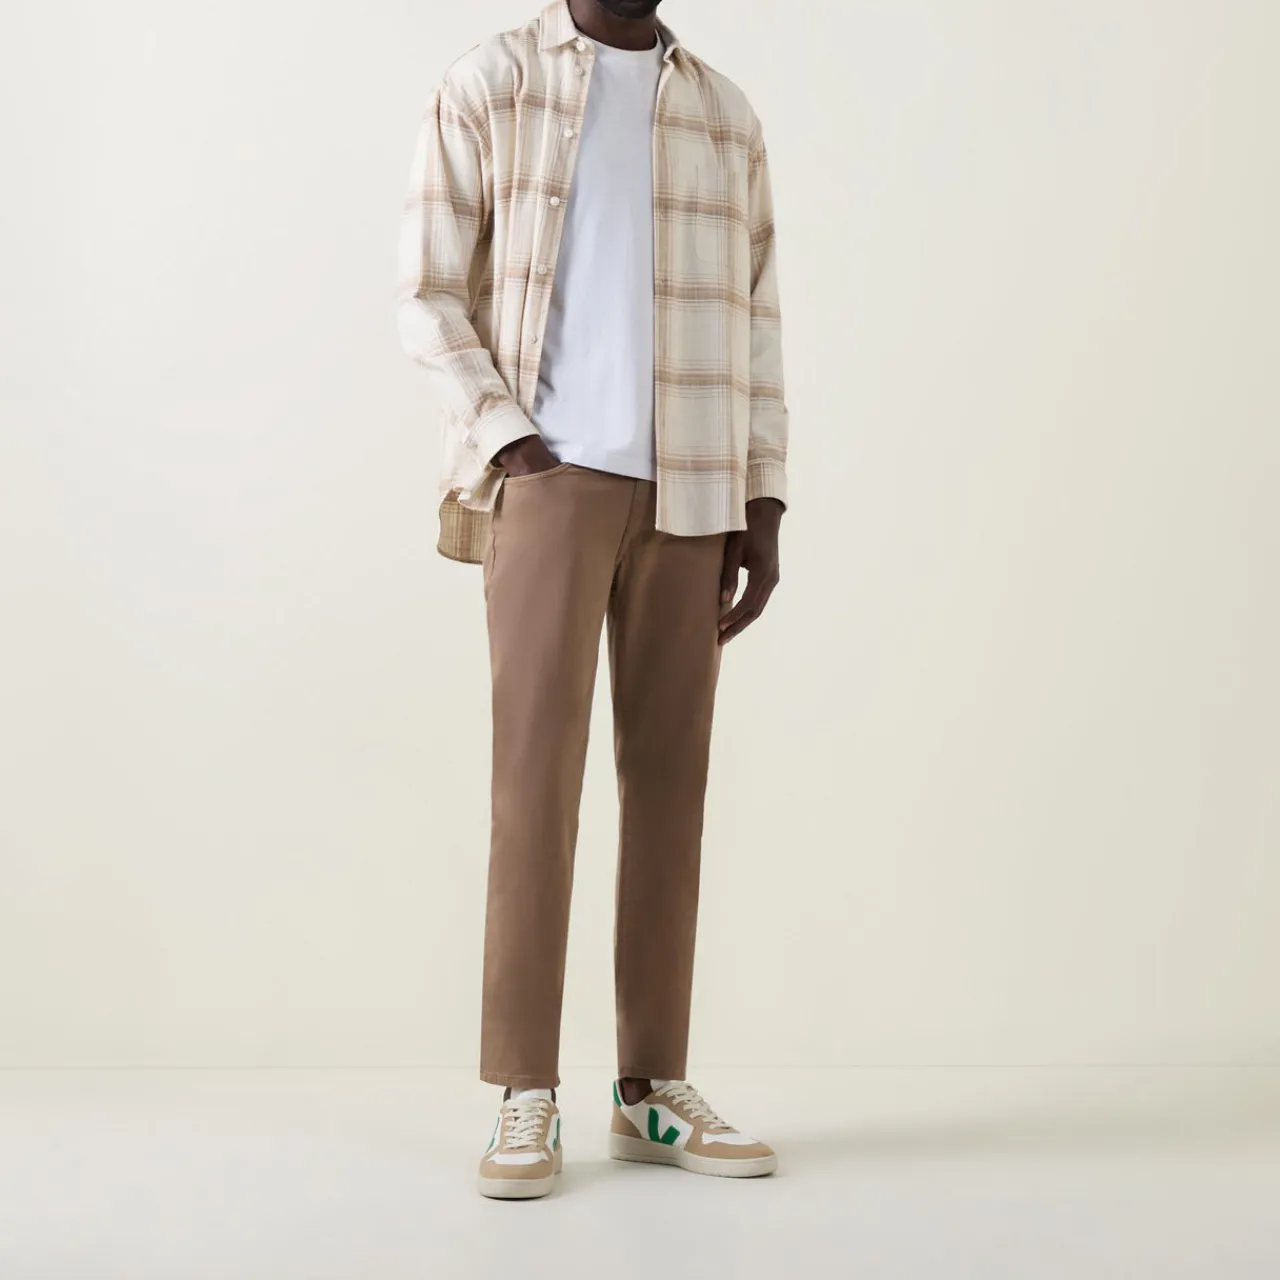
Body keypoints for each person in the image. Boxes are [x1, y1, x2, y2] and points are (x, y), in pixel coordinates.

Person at [398, 0, 788, 1200]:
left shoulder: (722, 114)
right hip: (549, 481)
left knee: (670, 791)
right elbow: (426, 291)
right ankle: (525, 1090)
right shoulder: (492, 81)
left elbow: (757, 319)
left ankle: (649, 1088)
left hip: (693, 485)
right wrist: (509, 442)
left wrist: (761, 497)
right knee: (535, 788)